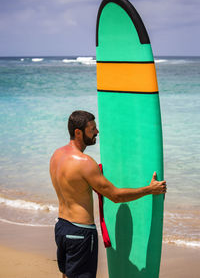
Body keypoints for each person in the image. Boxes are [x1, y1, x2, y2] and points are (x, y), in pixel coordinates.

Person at [50, 110, 167, 278]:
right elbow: (116, 196)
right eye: (92, 129)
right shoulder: (84, 163)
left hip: (62, 227)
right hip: (80, 233)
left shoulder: (57, 155)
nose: (97, 132)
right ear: (78, 132)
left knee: (67, 275)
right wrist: (150, 189)